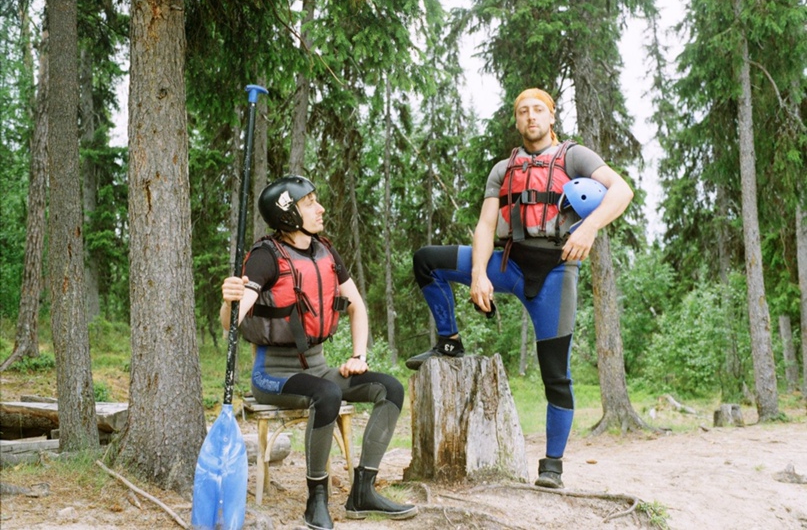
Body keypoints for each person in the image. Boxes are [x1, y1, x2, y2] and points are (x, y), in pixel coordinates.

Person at [406, 88, 634, 489]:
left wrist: (591, 228)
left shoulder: (574, 156)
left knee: (555, 376)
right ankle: (448, 340)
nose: (531, 117)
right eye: (523, 112)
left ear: (551, 117)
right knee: (427, 259)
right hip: (508, 263)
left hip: (556, 272)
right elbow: (485, 226)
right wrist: (479, 273)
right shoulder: (503, 168)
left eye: (538, 111)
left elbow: (622, 191)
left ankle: (553, 466)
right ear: (517, 120)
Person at [220, 175, 417, 530]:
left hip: (318, 368)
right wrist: (230, 298)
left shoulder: (324, 250)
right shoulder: (266, 257)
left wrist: (358, 355)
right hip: (273, 376)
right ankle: (317, 500)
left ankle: (363, 491)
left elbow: (356, 304)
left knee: (391, 389)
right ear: (288, 213)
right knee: (325, 394)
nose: (320, 208)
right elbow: (232, 321)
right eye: (309, 202)